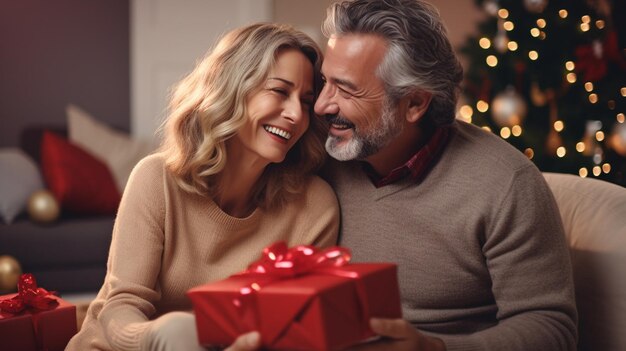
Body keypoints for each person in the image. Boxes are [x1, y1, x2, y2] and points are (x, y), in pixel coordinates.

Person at [230, 0, 578, 350]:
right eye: (325, 82)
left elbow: (551, 328)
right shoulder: (313, 146)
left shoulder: (505, 184)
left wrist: (433, 348)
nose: (321, 105)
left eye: (347, 89)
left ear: (414, 103)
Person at [65, 23, 339, 351]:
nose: (296, 114)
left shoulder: (314, 206)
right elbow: (122, 305)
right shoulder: (156, 179)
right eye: (279, 91)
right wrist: (155, 337)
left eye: (306, 102)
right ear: (231, 88)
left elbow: (298, 327)